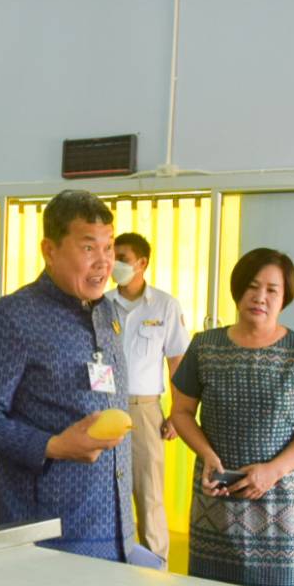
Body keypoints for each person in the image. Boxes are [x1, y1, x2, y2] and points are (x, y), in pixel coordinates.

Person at [0, 190, 154, 564]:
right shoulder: (10, 318)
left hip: (114, 528)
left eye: (109, 247)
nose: (104, 262)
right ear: (50, 250)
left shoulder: (107, 312)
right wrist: (54, 445)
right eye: (88, 248)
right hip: (48, 535)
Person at [170, 248, 294, 586]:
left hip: (282, 503)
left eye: (272, 290)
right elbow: (181, 413)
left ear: (284, 296)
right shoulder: (204, 347)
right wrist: (207, 456)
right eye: (252, 286)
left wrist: (274, 470)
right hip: (217, 500)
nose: (260, 297)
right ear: (238, 290)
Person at [107, 232, 190, 562]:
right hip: (105, 407)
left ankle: (155, 568)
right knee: (109, 492)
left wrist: (178, 413)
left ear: (142, 263)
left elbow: (177, 361)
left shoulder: (164, 305)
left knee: (149, 493)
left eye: (122, 258)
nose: (116, 265)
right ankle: (113, 560)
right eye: (113, 257)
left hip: (145, 409)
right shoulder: (101, 304)